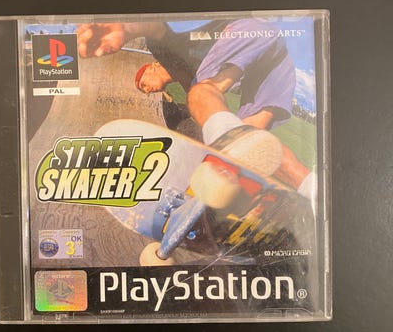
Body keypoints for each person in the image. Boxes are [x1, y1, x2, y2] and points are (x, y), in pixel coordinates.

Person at [77, 20, 315, 200]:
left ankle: (227, 163)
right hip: (276, 61)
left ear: (152, 67)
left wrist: (126, 28)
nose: (148, 90)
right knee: (254, 135)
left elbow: (154, 27)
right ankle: (310, 189)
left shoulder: (163, 51)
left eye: (144, 84)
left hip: (250, 30)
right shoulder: (186, 73)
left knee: (201, 92)